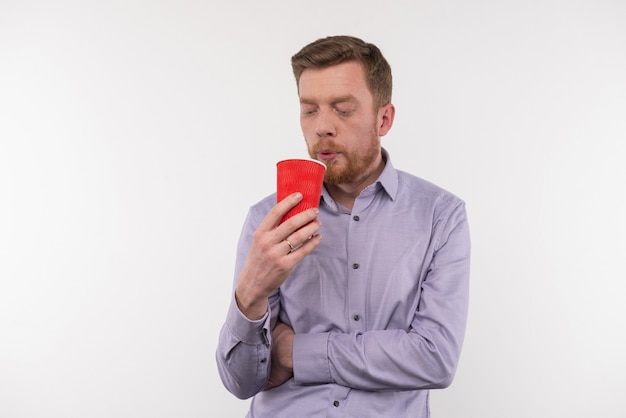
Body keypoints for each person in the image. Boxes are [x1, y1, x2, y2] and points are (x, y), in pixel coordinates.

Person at [216, 35, 471, 418]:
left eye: (343, 109)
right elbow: (240, 383)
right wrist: (250, 296)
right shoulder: (266, 220)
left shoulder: (440, 216)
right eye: (309, 110)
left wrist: (293, 351)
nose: (322, 127)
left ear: (383, 119)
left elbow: (435, 358)